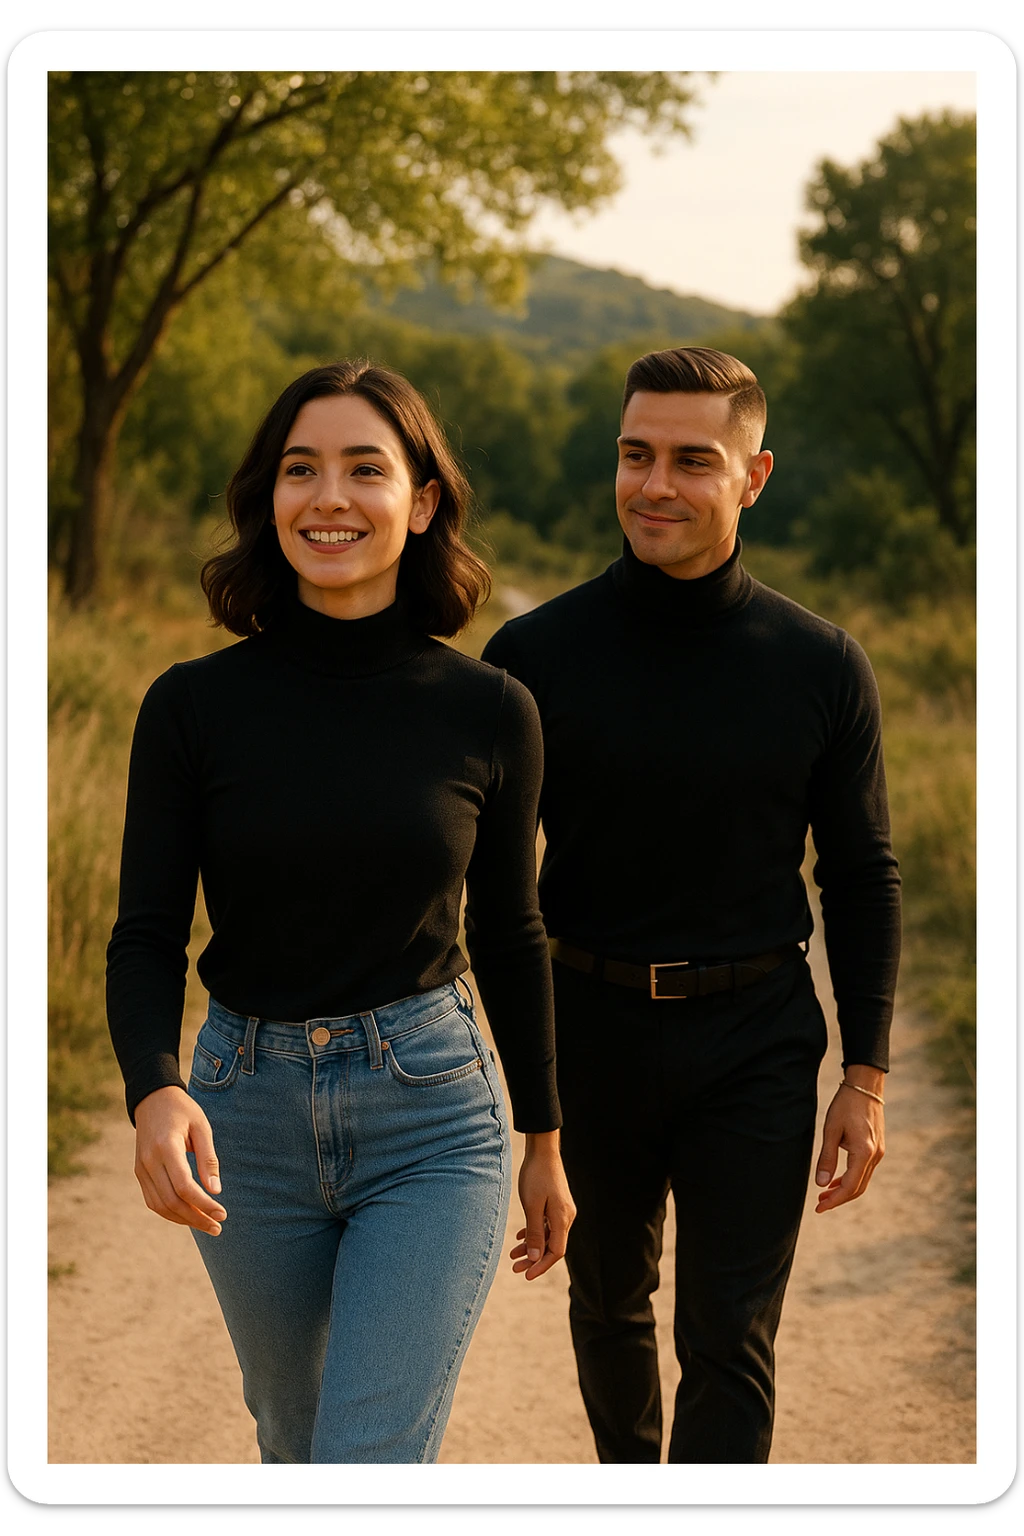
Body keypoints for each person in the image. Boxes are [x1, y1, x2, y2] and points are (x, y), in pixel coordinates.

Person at [106, 359, 575, 1465]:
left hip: (430, 1115)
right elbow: (146, 931)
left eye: (366, 469)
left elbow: (511, 933)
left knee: (366, 1457)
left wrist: (544, 1140)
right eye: (299, 469)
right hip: (243, 1114)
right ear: (267, 500)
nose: (329, 497)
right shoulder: (191, 706)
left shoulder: (490, 709)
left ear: (420, 504)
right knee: (296, 1436)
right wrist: (151, 1090)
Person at [482, 346, 901, 1465]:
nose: (653, 484)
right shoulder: (530, 659)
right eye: (633, 454)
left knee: (727, 1340)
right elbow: (483, 888)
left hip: (755, 1038)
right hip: (591, 1030)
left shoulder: (821, 666)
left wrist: (863, 1075)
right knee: (606, 1311)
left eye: (689, 460)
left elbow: (860, 874)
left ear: (752, 477)